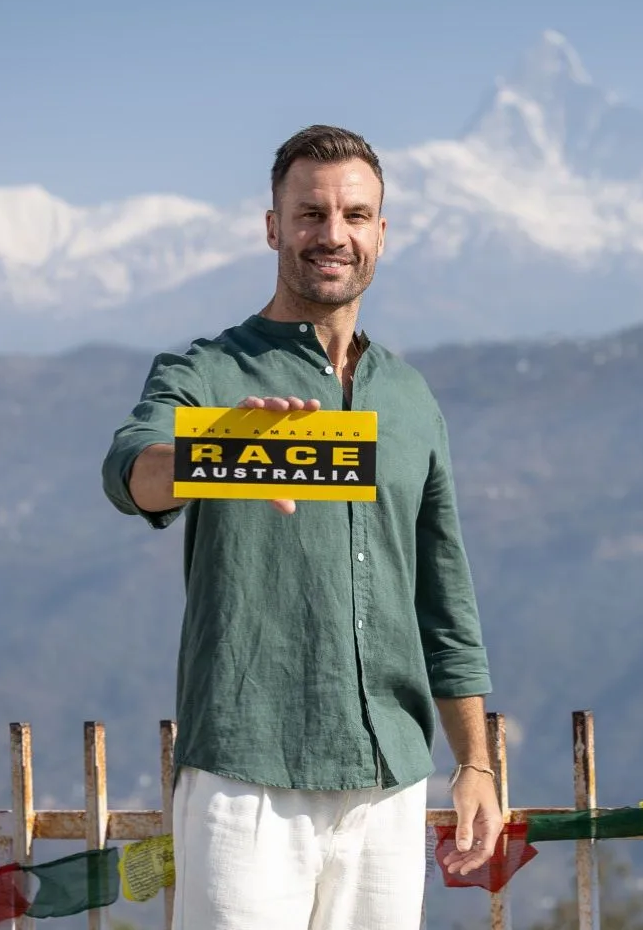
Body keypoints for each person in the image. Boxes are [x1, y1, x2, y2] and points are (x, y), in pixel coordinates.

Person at [99, 124, 502, 929]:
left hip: (390, 779)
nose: (333, 234)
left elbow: (443, 596)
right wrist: (227, 451)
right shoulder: (209, 371)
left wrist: (476, 764)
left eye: (354, 215)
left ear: (381, 233)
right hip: (248, 774)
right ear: (273, 227)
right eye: (310, 214)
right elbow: (130, 475)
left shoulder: (410, 397)